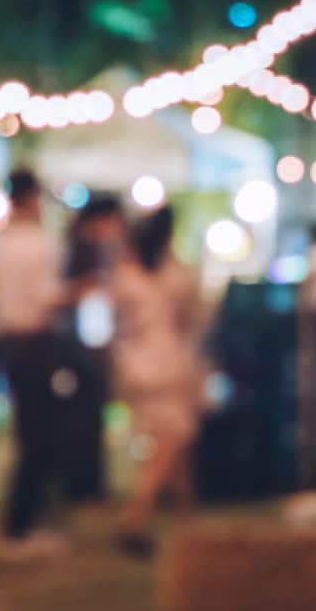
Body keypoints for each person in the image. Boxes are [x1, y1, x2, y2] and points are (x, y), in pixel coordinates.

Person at [0, 170, 68, 559]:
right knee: (39, 438)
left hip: (9, 343)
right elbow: (47, 297)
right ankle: (21, 526)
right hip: (36, 342)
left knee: (29, 434)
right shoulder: (41, 245)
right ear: (34, 199)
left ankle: (24, 523)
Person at [110, 207, 206, 556]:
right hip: (169, 365)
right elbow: (195, 319)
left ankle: (188, 526)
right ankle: (136, 517)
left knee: (172, 448)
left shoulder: (125, 277)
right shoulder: (176, 276)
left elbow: (115, 326)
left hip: (136, 367)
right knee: (173, 442)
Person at [58, 195, 126, 504]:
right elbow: (64, 292)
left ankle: (89, 482)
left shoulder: (104, 252)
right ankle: (81, 483)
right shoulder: (77, 250)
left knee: (92, 414)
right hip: (77, 342)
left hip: (94, 339)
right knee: (81, 415)